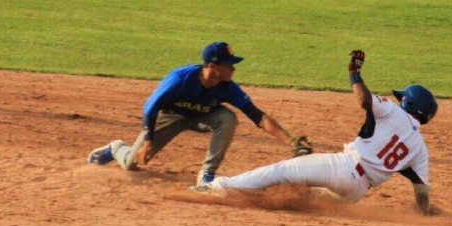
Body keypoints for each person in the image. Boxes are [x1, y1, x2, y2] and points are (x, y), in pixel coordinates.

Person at [190, 50, 439, 215]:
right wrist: (426, 212)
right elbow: (422, 196)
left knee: (284, 170)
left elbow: (363, 100)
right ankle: (254, 198)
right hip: (355, 192)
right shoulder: (419, 150)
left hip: (343, 168)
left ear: (409, 103)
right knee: (303, 199)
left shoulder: (392, 112)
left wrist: (354, 73)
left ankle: (218, 188)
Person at [87, 41, 312, 185]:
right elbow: (150, 107)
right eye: (229, 64)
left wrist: (289, 140)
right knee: (131, 165)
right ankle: (116, 147)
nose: (233, 69)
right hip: (170, 116)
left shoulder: (228, 86)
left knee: (228, 118)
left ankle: (207, 175)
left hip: (205, 117)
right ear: (213, 66)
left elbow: (257, 116)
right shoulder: (180, 78)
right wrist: (148, 139)